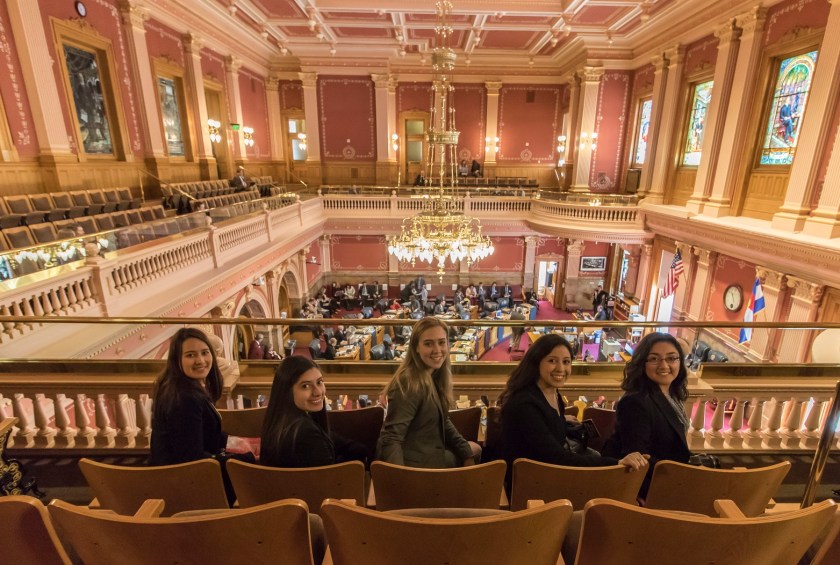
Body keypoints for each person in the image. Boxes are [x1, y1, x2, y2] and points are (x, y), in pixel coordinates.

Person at [499, 334, 648, 486]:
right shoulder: (524, 405)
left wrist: (560, 420)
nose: (561, 369)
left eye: (566, 362)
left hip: (547, 473)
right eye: (552, 361)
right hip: (531, 483)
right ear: (536, 362)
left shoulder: (551, 392)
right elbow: (558, 458)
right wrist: (616, 463)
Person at [376, 317, 477, 468]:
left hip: (429, 451)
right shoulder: (409, 383)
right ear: (416, 347)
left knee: (473, 450)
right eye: (428, 344)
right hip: (415, 466)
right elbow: (392, 438)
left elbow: (443, 421)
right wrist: (400, 478)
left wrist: (466, 453)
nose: (437, 350)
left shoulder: (431, 374)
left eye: (442, 342)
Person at [602, 332, 692, 499]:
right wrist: (684, 473)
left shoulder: (672, 393)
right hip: (644, 486)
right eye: (654, 359)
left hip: (668, 476)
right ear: (642, 363)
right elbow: (638, 458)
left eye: (671, 358)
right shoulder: (635, 402)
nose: (664, 365)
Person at [260, 356, 366, 468]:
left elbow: (334, 440)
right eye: (305, 386)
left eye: (319, 382)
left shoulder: (281, 422)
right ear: (287, 392)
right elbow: (328, 479)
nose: (318, 392)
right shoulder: (306, 434)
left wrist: (362, 451)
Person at [149, 328, 228, 466]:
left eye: (205, 352)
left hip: (179, 472)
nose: (200, 360)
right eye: (190, 355)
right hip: (182, 480)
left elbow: (203, 437)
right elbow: (193, 460)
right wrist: (245, 459)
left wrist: (239, 443)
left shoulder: (179, 387)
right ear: (176, 360)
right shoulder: (185, 400)